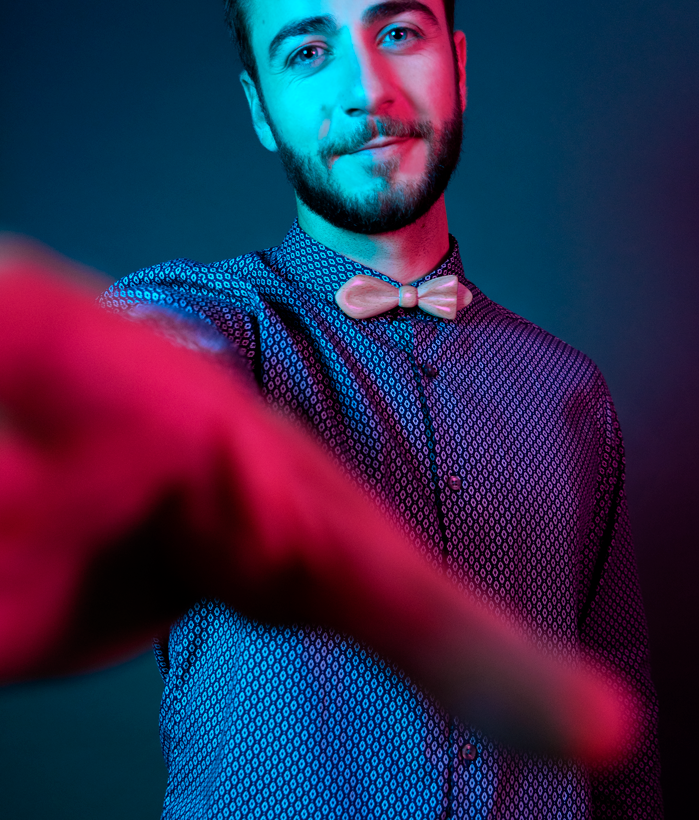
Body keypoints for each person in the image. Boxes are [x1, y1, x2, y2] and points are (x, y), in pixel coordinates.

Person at [102, 0, 662, 818]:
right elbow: (145, 361)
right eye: (308, 52)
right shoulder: (223, 321)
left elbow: (617, 734)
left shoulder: (571, 395)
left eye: (398, 33)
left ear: (458, 64)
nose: (366, 89)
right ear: (260, 109)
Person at [0, 241, 633, 766]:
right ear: (264, 126)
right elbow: (163, 338)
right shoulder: (217, 307)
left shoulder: (571, 385)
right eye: (306, 79)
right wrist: (155, 393)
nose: (366, 116)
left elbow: (617, 657)